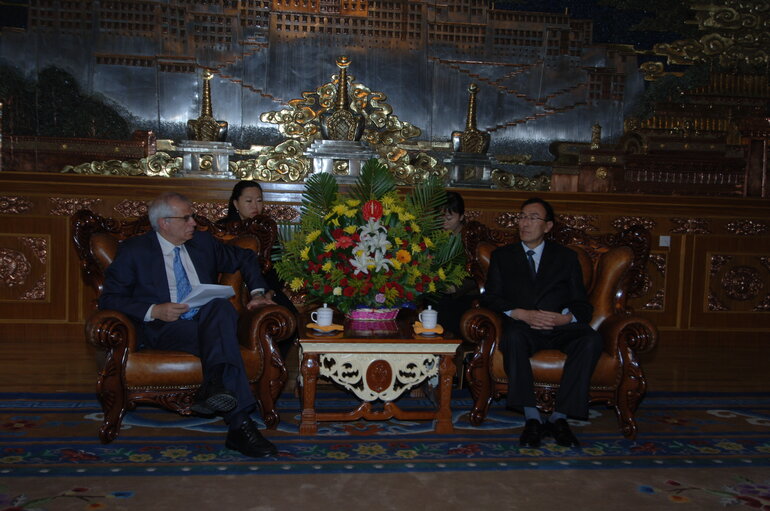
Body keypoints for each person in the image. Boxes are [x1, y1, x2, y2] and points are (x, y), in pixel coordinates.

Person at [99, 191, 279, 458]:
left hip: (208, 321)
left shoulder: (203, 243)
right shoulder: (135, 252)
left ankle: (219, 391)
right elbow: (109, 299)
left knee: (218, 306)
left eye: (192, 216)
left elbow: (245, 257)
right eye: (187, 218)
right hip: (165, 330)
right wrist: (154, 310)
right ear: (164, 223)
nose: (194, 222)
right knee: (224, 336)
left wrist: (256, 293)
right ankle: (238, 421)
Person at [481, 197, 602, 449]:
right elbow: (490, 298)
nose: (525, 223)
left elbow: (582, 303)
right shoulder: (503, 257)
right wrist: (519, 313)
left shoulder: (567, 258)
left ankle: (560, 417)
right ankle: (532, 418)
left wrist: (565, 317)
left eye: (533, 218)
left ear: (547, 226)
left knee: (590, 339)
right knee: (512, 338)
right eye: (522, 217)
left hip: (560, 326)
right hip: (523, 327)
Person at [221, 180, 299, 360]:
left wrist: (269, 293)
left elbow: (276, 269)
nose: (255, 206)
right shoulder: (222, 230)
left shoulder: (267, 231)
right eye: (249, 201)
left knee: (290, 319)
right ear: (235, 204)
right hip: (233, 292)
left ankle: (274, 369)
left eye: (259, 200)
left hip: (267, 288)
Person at [434, 191, 479, 336]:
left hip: (463, 293)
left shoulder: (470, 240)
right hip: (438, 290)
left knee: (445, 306)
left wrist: (455, 288)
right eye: (440, 217)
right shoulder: (434, 236)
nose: (444, 222)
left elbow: (479, 273)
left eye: (449, 218)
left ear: (461, 216)